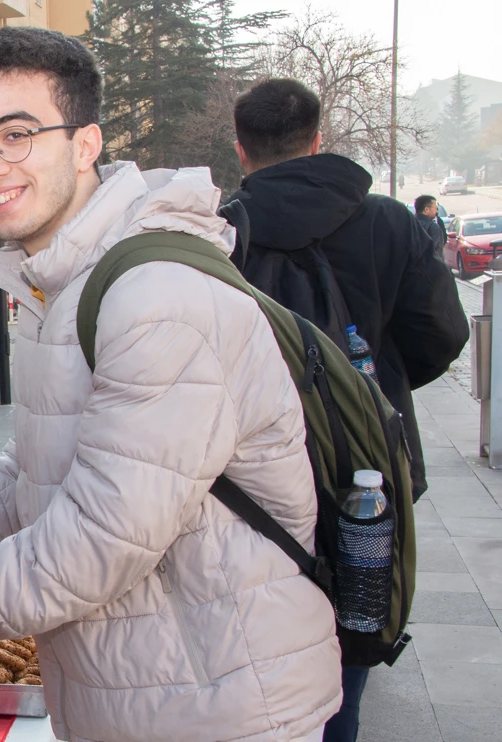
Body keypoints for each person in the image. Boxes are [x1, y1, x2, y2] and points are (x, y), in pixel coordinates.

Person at [0, 28, 340, 742]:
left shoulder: (155, 300)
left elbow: (89, 549)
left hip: (218, 707)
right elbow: (47, 470)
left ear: (85, 145)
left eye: (17, 134)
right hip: (139, 695)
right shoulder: (62, 281)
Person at [229, 78, 468, 742]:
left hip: (246, 474)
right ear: (318, 139)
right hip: (366, 470)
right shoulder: (391, 222)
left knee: (244, 656)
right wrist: (373, 393)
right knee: (349, 649)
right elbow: (443, 334)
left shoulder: (218, 229)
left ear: (242, 149)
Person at [414, 194, 447, 261]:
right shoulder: (433, 227)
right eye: (435, 208)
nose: (437, 211)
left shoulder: (408, 224)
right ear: (426, 209)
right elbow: (435, 252)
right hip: (429, 268)